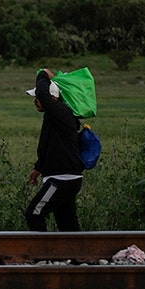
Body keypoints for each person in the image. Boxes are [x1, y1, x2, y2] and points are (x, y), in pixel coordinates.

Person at [24, 69, 83, 231]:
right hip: (64, 178)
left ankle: (43, 253)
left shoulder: (61, 112)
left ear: (53, 98)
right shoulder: (52, 117)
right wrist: (38, 168)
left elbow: (44, 93)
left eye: (38, 97)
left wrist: (43, 74)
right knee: (67, 223)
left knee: (34, 213)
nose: (35, 100)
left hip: (62, 179)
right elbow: (48, 145)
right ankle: (74, 254)